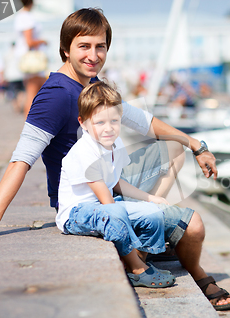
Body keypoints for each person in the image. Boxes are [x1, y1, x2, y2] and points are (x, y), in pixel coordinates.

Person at [0, 8, 230, 311]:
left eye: (100, 46)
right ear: (65, 49)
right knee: (193, 228)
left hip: (110, 179)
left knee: (174, 149)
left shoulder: (91, 83)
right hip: (84, 195)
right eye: (84, 46)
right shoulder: (55, 96)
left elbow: (141, 120)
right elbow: (21, 160)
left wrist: (196, 144)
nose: (93, 55)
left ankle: (149, 233)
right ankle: (190, 269)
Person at [59, 80, 174, 287]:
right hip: (77, 213)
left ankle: (139, 261)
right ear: (83, 123)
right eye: (100, 122)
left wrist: (151, 198)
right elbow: (107, 199)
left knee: (153, 212)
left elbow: (116, 181)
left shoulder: (115, 143)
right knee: (116, 213)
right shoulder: (85, 151)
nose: (108, 129)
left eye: (114, 121)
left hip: (104, 207)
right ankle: (138, 268)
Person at [14, 0, 47, 119]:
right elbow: (29, 41)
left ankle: (32, 120)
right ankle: (30, 121)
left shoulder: (21, 16)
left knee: (33, 90)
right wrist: (43, 41)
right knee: (34, 90)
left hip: (25, 58)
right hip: (32, 60)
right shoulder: (27, 17)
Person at [4, 42, 25, 114]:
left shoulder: (7, 54)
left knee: (13, 92)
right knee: (21, 91)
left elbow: (4, 66)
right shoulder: (20, 53)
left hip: (10, 76)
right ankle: (20, 104)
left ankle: (16, 106)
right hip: (20, 75)